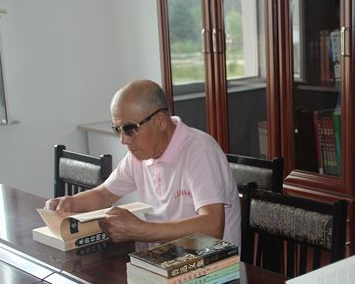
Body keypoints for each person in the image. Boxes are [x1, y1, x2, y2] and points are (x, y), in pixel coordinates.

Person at [45, 79, 241, 246]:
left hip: (214, 265)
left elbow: (212, 226)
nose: (123, 140)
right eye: (117, 129)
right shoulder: (139, 156)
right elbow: (104, 194)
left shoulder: (199, 151)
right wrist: (70, 203)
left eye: (129, 129)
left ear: (160, 121)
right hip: (167, 258)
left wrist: (142, 230)